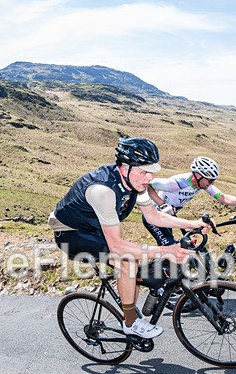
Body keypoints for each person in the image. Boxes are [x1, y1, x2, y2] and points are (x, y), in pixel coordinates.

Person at [48, 137, 210, 339]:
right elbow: (116, 247)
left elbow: (154, 216)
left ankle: (130, 298)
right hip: (70, 234)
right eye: (144, 171)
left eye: (151, 171)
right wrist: (167, 250)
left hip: (92, 227)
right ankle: (131, 322)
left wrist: (192, 224)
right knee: (126, 259)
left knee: (133, 263)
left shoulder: (137, 182)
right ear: (125, 169)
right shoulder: (103, 190)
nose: (148, 177)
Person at [143, 156, 236, 246]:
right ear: (198, 176)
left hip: (168, 216)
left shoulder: (203, 184)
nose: (212, 183)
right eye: (210, 180)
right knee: (170, 248)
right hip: (153, 215)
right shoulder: (177, 183)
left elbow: (223, 197)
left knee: (178, 247)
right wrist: (162, 205)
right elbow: (149, 185)